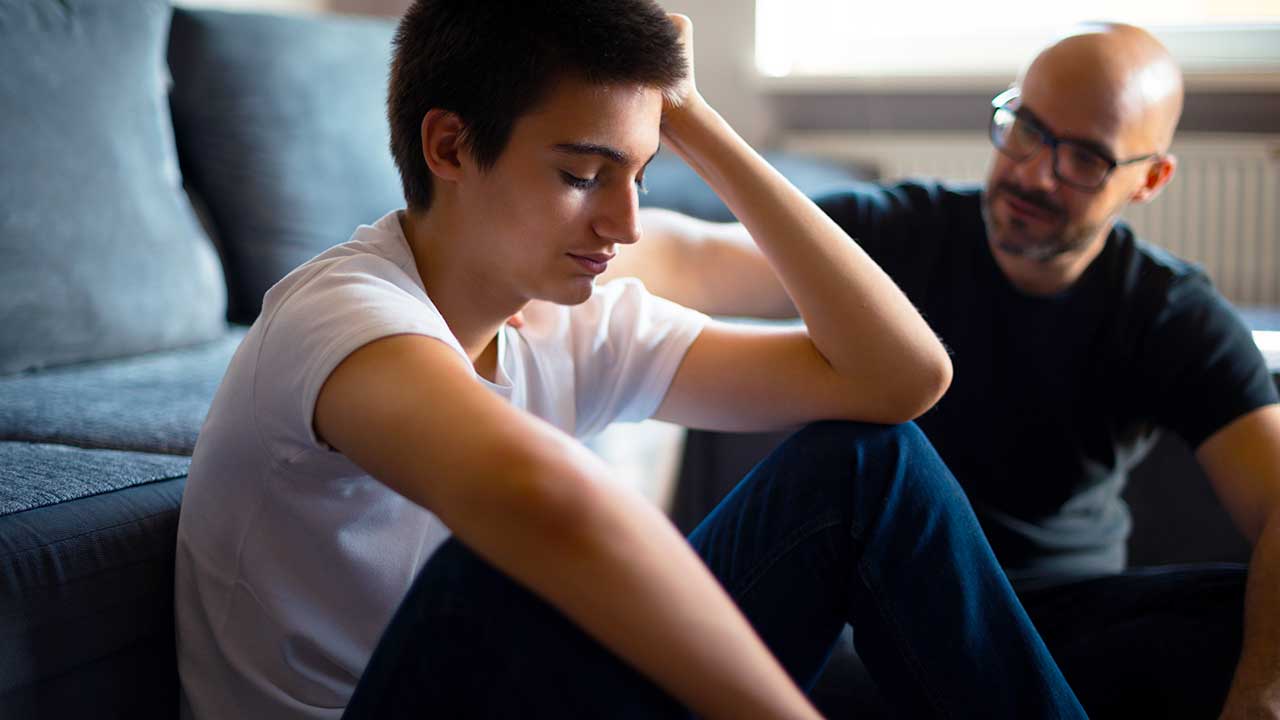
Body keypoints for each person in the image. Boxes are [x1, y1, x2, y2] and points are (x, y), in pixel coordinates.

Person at [172, 1, 1093, 719]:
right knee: (501, 565)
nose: (625, 224)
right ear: (449, 145)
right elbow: (546, 504)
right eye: (582, 175)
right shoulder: (342, 317)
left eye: (639, 174)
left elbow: (901, 380)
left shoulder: (574, 321)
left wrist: (695, 118)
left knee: (869, 467)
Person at [609, 22, 1280, 719]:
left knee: (1250, 620)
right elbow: (696, 257)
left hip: (1056, 625)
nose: (1032, 173)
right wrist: (563, 243)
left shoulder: (1168, 311)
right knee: (869, 465)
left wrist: (1261, 694)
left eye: (1083, 158)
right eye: (1025, 128)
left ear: (1151, 178)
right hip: (879, 615)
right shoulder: (908, 232)